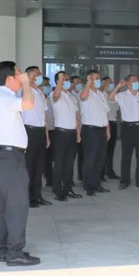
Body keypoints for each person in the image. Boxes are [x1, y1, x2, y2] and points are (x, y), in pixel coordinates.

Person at [0, 61, 40, 266]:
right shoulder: (4, 98)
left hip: (5, 156)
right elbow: (29, 103)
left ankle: (5, 248)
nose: (21, 76)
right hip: (10, 158)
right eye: (18, 74)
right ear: (10, 78)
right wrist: (26, 83)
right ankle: (15, 251)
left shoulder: (2, 96)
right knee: (17, 205)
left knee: (5, 205)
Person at [109, 74, 139, 190]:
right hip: (127, 128)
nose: (136, 82)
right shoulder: (122, 95)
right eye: (133, 80)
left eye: (137, 80)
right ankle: (124, 181)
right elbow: (111, 98)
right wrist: (118, 86)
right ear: (128, 83)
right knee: (126, 156)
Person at [22, 66, 52, 208]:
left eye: (39, 74)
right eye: (35, 74)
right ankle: (27, 197)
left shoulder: (40, 92)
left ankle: (37, 195)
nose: (38, 77)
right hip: (29, 131)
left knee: (39, 166)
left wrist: (47, 136)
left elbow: (43, 116)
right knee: (29, 166)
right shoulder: (24, 91)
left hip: (40, 132)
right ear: (28, 76)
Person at [50, 71, 82, 201]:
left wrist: (78, 133)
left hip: (72, 133)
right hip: (60, 133)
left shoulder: (71, 97)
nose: (67, 81)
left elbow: (76, 117)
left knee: (69, 163)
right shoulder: (55, 94)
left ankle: (68, 188)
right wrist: (60, 81)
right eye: (64, 79)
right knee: (59, 163)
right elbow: (56, 96)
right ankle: (57, 190)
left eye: (67, 79)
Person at [78, 70, 110, 196]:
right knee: (90, 159)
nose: (97, 81)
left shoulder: (101, 94)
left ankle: (97, 183)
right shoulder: (85, 92)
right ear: (89, 79)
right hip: (90, 130)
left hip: (102, 130)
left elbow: (106, 112)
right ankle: (88, 186)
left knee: (100, 158)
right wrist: (88, 83)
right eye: (95, 78)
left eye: (98, 78)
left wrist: (107, 130)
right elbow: (83, 97)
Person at [101, 76, 120, 180]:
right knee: (104, 150)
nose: (112, 84)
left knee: (111, 150)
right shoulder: (101, 95)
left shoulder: (115, 96)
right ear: (104, 83)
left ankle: (109, 171)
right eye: (109, 82)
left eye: (112, 82)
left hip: (113, 123)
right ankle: (101, 172)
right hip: (105, 124)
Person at [70, 75, 84, 182]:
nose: (79, 84)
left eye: (80, 82)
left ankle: (81, 175)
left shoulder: (82, 94)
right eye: (77, 83)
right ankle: (69, 179)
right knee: (72, 155)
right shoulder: (71, 96)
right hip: (73, 129)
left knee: (83, 154)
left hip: (83, 127)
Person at [43, 77, 55, 187]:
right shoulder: (39, 99)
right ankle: (49, 178)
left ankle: (52, 177)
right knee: (45, 158)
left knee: (51, 157)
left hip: (53, 131)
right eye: (45, 85)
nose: (47, 87)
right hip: (43, 132)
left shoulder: (50, 98)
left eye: (48, 85)